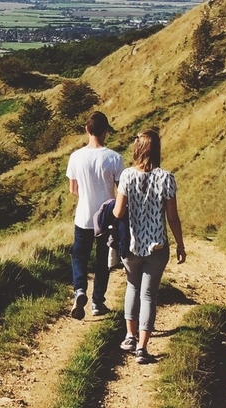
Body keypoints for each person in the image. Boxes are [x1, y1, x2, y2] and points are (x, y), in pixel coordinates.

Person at [114, 127, 185, 363]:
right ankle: (142, 348)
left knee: (132, 287)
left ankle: (129, 336)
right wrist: (180, 245)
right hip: (157, 245)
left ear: (138, 148)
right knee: (148, 295)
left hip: (132, 245)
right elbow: (172, 217)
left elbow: (118, 211)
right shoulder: (167, 178)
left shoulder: (126, 176)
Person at [65, 111, 123, 320]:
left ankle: (80, 290)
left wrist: (87, 193)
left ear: (86, 129)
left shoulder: (75, 157)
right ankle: (98, 302)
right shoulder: (114, 158)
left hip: (83, 215)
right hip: (107, 217)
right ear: (106, 131)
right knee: (102, 261)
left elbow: (73, 189)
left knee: (79, 256)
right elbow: (121, 191)